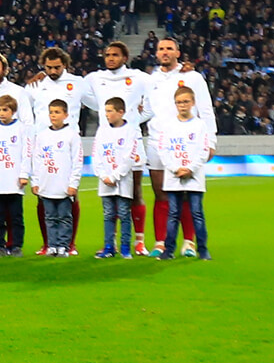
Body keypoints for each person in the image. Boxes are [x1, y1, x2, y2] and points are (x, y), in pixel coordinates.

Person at [143, 38, 211, 258]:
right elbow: (144, 110)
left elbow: (206, 109)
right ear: (156, 53)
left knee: (186, 194)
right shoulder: (150, 80)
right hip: (156, 142)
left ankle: (189, 242)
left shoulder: (191, 77)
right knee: (160, 193)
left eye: (169, 49)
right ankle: (161, 242)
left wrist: (211, 142)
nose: (165, 52)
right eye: (161, 49)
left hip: (187, 142)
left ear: (178, 53)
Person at [87, 41, 151, 255]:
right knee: (109, 201)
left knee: (135, 193)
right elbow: (78, 92)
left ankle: (138, 241)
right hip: (107, 145)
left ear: (125, 57)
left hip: (130, 142)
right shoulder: (96, 78)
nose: (110, 58)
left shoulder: (139, 77)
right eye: (107, 55)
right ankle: (111, 243)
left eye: (115, 55)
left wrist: (135, 119)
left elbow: (157, 96)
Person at [153, 86, 217, 260]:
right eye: (179, 102)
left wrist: (190, 169)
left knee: (197, 213)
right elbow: (163, 150)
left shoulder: (199, 125)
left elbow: (204, 150)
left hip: (194, 176)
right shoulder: (168, 125)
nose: (182, 105)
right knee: (173, 214)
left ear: (193, 103)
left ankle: (203, 250)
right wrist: (176, 168)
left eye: (186, 101)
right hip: (174, 176)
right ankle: (169, 250)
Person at [91, 97, 140, 259]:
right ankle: (108, 247)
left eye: (110, 111)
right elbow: (96, 154)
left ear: (121, 112)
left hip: (122, 181)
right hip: (105, 182)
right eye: (105, 111)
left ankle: (125, 247)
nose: (107, 114)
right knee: (108, 215)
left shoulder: (130, 131)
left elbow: (129, 157)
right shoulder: (102, 130)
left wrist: (115, 176)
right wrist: (103, 175)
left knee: (125, 214)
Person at [31, 100, 82, 257]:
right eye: (51, 112)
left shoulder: (71, 135)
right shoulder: (42, 136)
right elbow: (37, 160)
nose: (53, 115)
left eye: (57, 112)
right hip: (47, 184)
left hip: (64, 185)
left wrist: (73, 183)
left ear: (66, 115)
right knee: (50, 217)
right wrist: (35, 181)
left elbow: (77, 161)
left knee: (65, 217)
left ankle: (63, 246)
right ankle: (52, 245)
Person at [0, 95, 29, 256]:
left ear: (13, 111)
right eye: (0, 110)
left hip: (14, 180)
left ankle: (16, 246)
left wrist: (24, 174)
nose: (2, 113)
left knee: (16, 216)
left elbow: (26, 153)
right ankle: (0, 245)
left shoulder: (21, 128)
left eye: (5, 110)